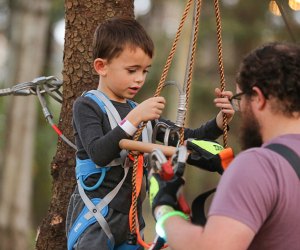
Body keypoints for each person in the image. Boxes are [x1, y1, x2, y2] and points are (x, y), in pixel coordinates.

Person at [66, 17, 234, 250]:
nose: (139, 78)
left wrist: (220, 121)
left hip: (131, 223)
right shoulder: (88, 106)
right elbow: (99, 153)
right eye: (132, 70)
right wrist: (135, 119)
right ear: (101, 67)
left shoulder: (141, 113)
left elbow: (189, 139)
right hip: (94, 217)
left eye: (145, 71)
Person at [149, 41, 300, 250]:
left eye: (239, 99)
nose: (238, 108)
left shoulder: (258, 166)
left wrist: (164, 209)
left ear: (258, 98)